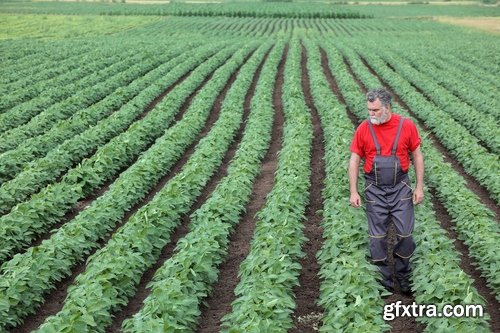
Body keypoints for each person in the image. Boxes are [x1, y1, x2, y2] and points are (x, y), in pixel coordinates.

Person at [348, 88, 424, 294]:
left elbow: (417, 155)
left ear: (387, 107)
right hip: (374, 189)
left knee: (406, 235)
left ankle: (403, 274)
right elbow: (354, 160)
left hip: (401, 187)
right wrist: (353, 191)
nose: (370, 113)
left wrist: (418, 186)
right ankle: (384, 281)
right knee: (377, 238)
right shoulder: (364, 129)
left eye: (375, 110)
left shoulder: (406, 126)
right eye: (368, 110)